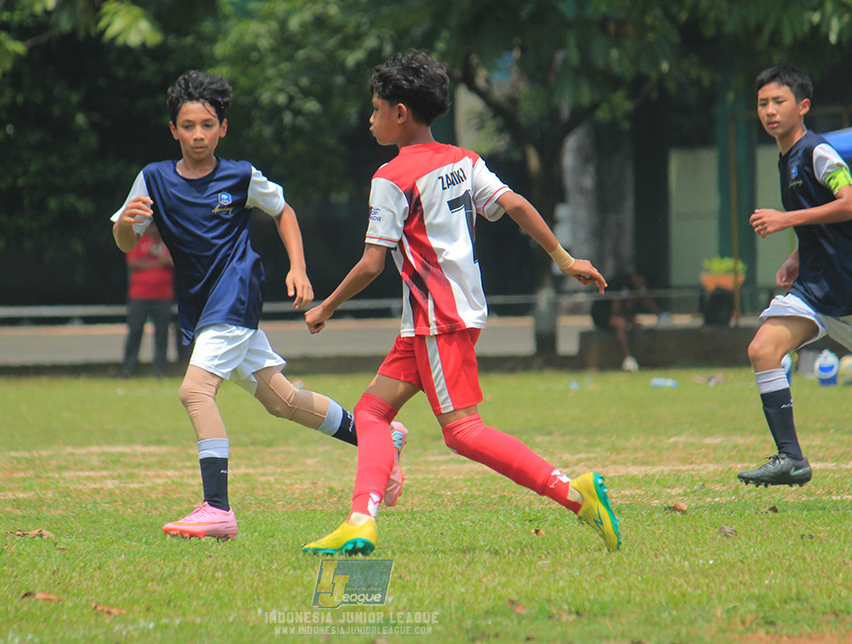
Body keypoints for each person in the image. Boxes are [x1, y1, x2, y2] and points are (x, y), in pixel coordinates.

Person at [301, 51, 621, 556]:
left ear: (400, 113)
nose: (371, 117)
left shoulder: (391, 177)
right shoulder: (462, 160)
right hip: (439, 319)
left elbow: (370, 265)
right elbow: (512, 203)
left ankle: (573, 494)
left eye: (376, 107)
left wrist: (326, 307)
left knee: (463, 432)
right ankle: (360, 520)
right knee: (369, 412)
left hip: (437, 319)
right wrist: (562, 256)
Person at [111, 70, 407, 541]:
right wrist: (128, 223)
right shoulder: (152, 178)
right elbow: (126, 241)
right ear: (173, 130)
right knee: (282, 400)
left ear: (223, 128)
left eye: (207, 125)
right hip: (203, 303)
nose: (198, 134)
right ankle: (380, 438)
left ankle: (216, 508)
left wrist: (298, 267)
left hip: (235, 292)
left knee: (194, 391)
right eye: (187, 126)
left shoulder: (241, 175)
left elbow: (283, 211)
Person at [740, 65, 852, 487]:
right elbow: (823, 226)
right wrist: (797, 255)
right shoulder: (787, 158)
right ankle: (792, 459)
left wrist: (788, 220)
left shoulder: (817, 152)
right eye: (763, 103)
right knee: (764, 349)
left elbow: (849, 201)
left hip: (847, 285)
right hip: (816, 287)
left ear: (802, 107)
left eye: (778, 102)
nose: (769, 111)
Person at [121, 222, 175, 378]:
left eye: (155, 225)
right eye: (151, 226)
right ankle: (128, 369)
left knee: (162, 334)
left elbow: (173, 262)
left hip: (163, 295)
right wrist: (158, 263)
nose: (153, 229)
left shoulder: (167, 243)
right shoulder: (139, 241)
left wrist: (159, 257)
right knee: (135, 332)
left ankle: (160, 371)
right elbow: (133, 263)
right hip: (139, 295)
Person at [589, 272, 666, 372]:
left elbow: (628, 308)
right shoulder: (620, 284)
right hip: (602, 315)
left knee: (634, 326)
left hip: (615, 314)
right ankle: (628, 358)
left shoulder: (633, 289)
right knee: (620, 324)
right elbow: (615, 310)